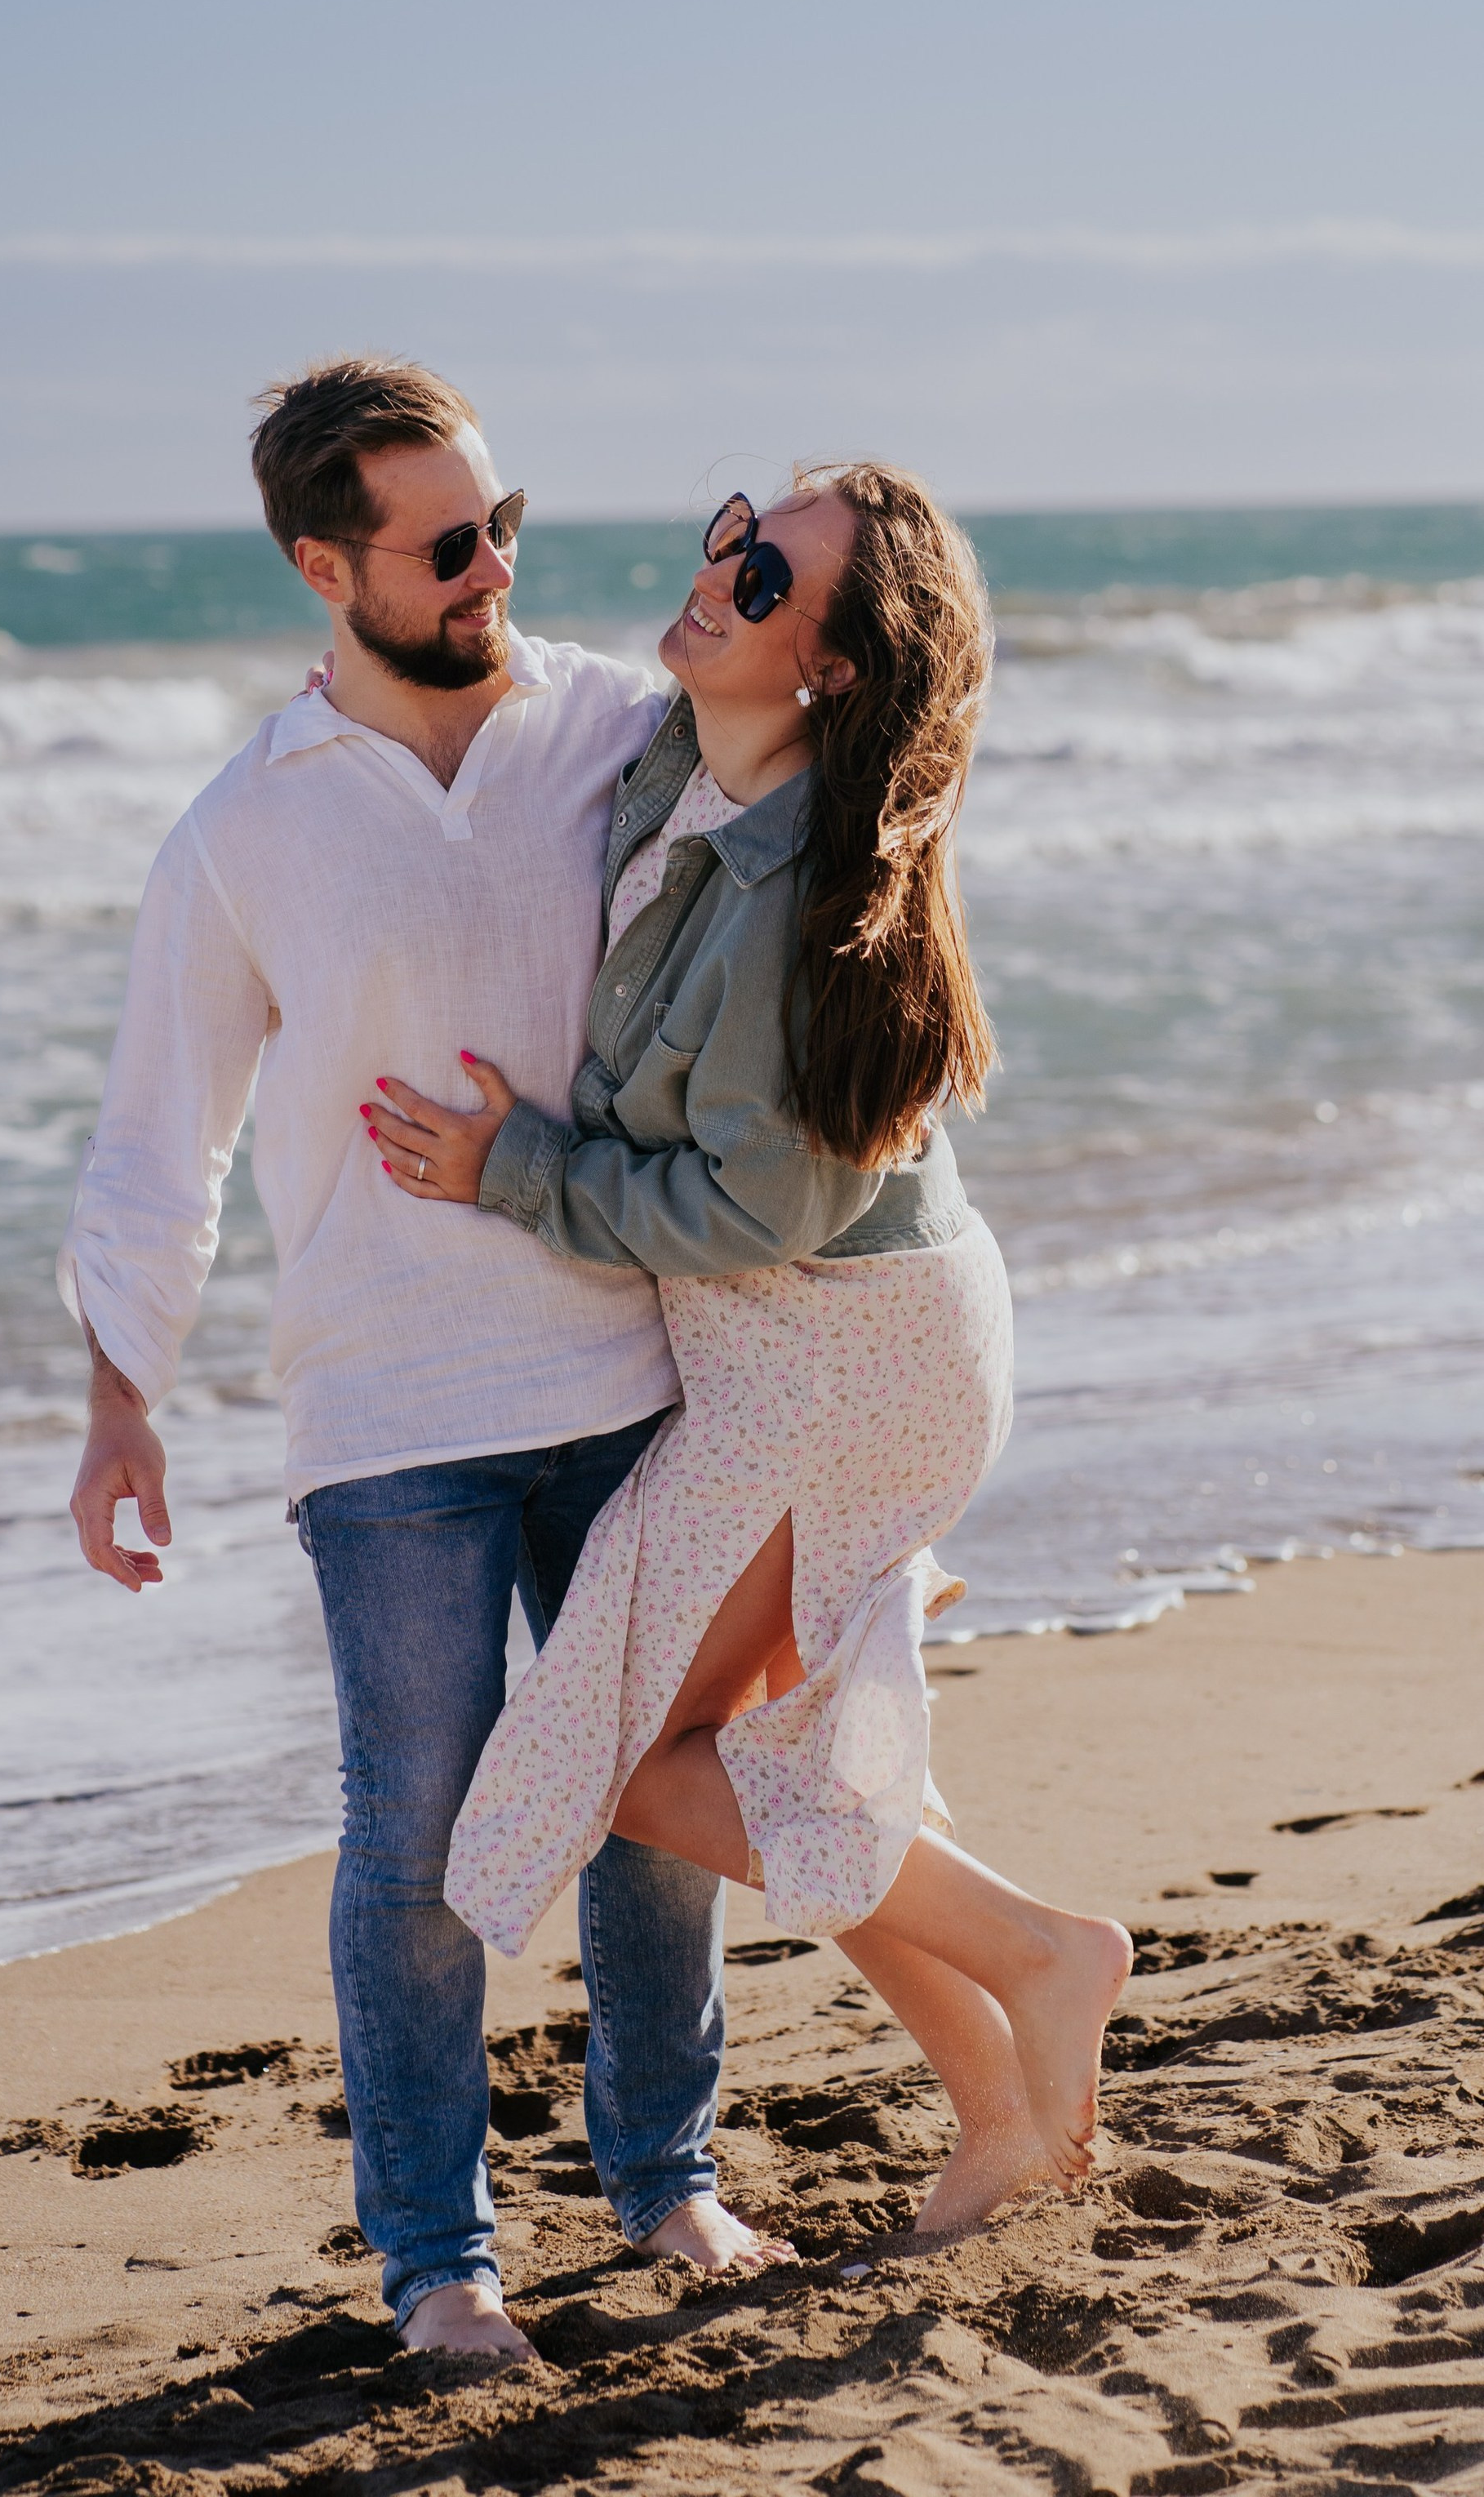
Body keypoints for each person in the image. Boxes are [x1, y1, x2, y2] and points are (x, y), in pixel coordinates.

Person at [60, 357, 793, 2361]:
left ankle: (663, 2176)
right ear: (326, 567)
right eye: (447, 543)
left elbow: (803, 867)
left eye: (504, 524)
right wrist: (121, 1404)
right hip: (386, 1408)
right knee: (419, 1833)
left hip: (633, 1364)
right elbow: (161, 1130)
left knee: (653, 1796)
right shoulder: (246, 827)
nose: (493, 568)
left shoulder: (616, 729)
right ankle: (438, 2261)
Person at [362, 464, 1134, 2241]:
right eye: (730, 533)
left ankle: (1044, 1954)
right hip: (815, 1350)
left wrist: (514, 1172)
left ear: (834, 668)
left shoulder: (798, 898)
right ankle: (1005, 2110)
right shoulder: (684, 761)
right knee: (772, 1764)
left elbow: (748, 1210)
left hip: (844, 1363)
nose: (718, 572)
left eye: (767, 575)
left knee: (634, 1759)